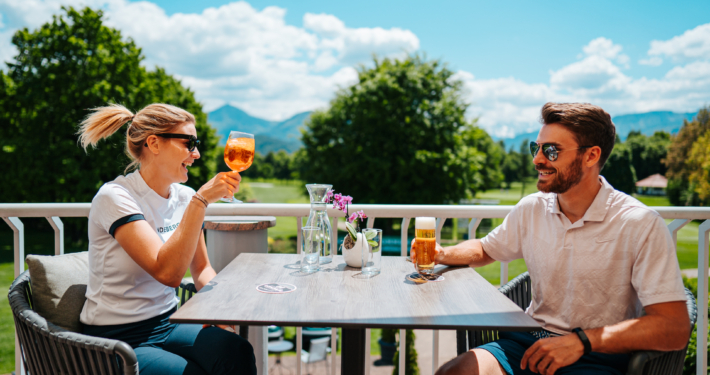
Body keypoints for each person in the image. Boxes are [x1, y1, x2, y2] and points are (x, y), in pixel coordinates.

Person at [415, 102, 690, 375]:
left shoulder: (640, 223)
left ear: (591, 156)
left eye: (551, 151)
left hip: (597, 357)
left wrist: (582, 342)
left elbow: (673, 327)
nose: (537, 160)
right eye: (536, 148)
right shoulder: (532, 208)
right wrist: (441, 253)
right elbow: (486, 249)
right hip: (526, 345)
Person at [77, 103, 256, 375]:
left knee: (236, 350)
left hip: (169, 322)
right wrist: (201, 201)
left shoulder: (184, 197)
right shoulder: (116, 197)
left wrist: (219, 313)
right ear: (154, 143)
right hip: (116, 338)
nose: (196, 154)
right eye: (189, 143)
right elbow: (168, 273)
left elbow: (202, 269)